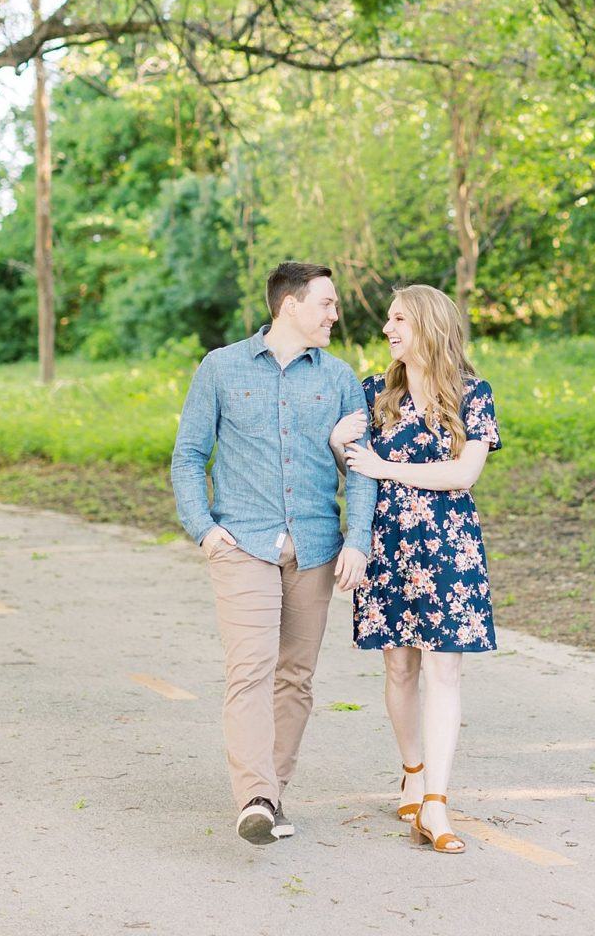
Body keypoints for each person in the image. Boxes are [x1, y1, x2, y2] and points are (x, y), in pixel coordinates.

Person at [171, 260, 374, 847]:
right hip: (243, 544)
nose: (336, 313)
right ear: (291, 305)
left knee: (296, 677)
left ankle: (273, 794)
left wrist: (357, 539)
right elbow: (189, 456)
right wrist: (203, 529)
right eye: (327, 303)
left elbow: (358, 469)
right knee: (251, 669)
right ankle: (255, 795)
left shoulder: (339, 377)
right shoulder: (220, 367)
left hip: (314, 546)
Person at [330, 283, 500, 855]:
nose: (387, 329)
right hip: (388, 545)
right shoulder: (373, 393)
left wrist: (385, 466)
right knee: (400, 669)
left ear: (427, 323)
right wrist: (339, 445)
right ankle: (412, 769)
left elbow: (463, 475)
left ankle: (436, 803)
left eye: (398, 318)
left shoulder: (473, 395)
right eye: (387, 319)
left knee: (443, 672)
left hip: (448, 548)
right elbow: (354, 468)